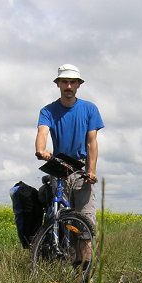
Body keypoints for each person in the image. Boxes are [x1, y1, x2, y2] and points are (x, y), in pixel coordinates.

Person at [35, 64, 104, 263]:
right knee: (59, 218)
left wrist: (91, 170)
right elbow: (42, 132)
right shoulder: (48, 110)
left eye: (72, 82)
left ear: (78, 85)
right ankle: (59, 260)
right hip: (59, 164)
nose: (68, 86)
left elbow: (92, 141)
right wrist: (41, 149)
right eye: (64, 81)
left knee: (86, 222)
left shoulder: (89, 109)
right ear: (58, 84)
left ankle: (85, 274)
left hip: (82, 167)